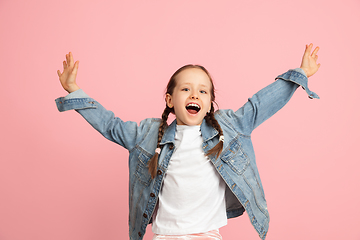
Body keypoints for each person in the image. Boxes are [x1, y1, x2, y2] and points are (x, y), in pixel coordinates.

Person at [55, 44, 320, 240]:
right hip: (165, 236)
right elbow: (111, 126)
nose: (195, 94)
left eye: (202, 91)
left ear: (208, 104)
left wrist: (299, 75)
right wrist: (75, 92)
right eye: (186, 89)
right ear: (170, 100)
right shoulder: (147, 135)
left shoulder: (231, 127)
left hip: (207, 235)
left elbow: (259, 105)